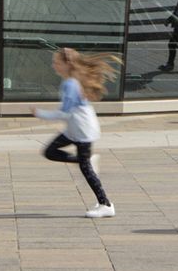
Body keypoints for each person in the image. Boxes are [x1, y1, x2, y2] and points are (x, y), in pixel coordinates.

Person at [35, 46, 117, 218]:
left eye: (56, 62)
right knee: (50, 152)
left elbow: (64, 113)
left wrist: (40, 113)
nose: (53, 66)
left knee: (85, 169)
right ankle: (85, 160)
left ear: (67, 64)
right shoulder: (70, 82)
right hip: (75, 129)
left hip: (83, 131)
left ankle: (106, 205)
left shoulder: (71, 84)